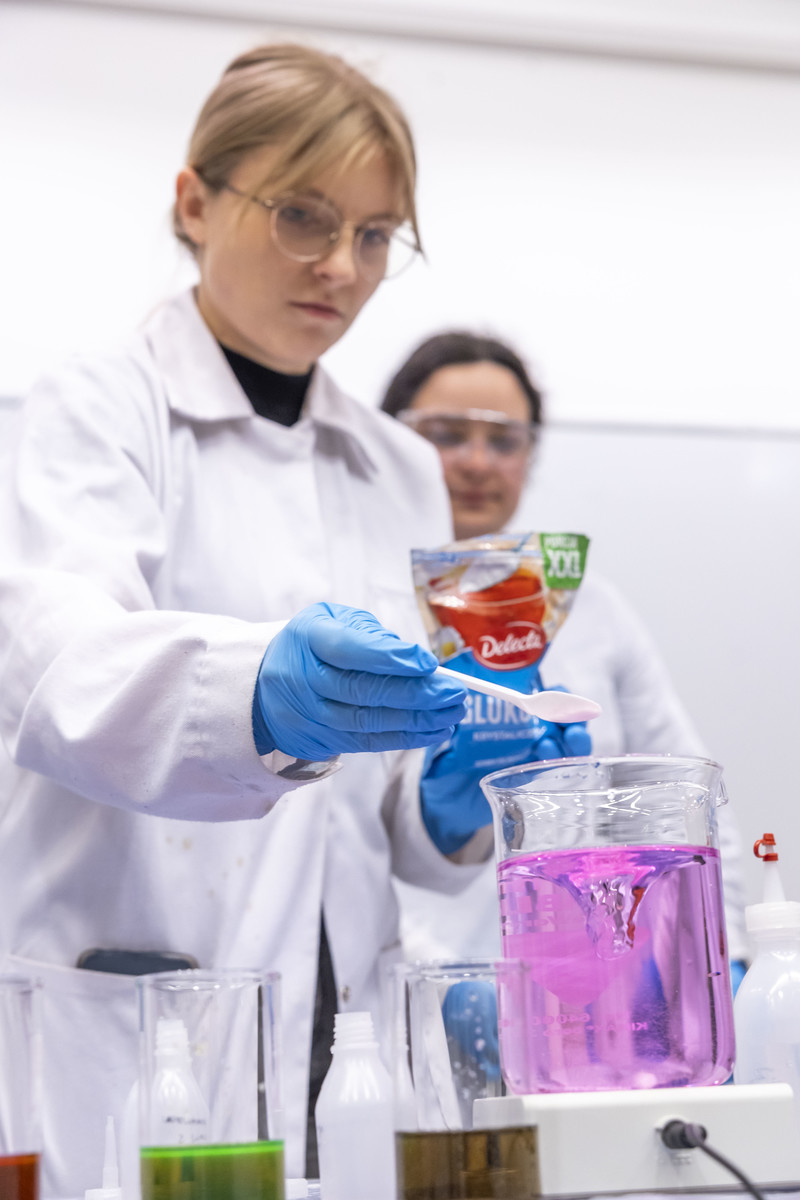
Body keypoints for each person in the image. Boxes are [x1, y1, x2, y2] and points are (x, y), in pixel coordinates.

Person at [0, 46, 485, 1195]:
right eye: (303, 216)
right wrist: (256, 695)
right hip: (140, 1008)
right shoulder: (85, 408)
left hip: (341, 1033)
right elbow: (59, 673)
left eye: (376, 235)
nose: (341, 268)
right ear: (193, 202)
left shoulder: (399, 467)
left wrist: (446, 795)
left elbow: (377, 819)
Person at [380, 331, 747, 971]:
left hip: (596, 974)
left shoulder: (592, 610)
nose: (476, 462)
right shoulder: (358, 602)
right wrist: (438, 816)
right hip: (412, 981)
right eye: (446, 435)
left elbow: (692, 790)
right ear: (389, 442)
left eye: (503, 440)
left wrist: (727, 952)